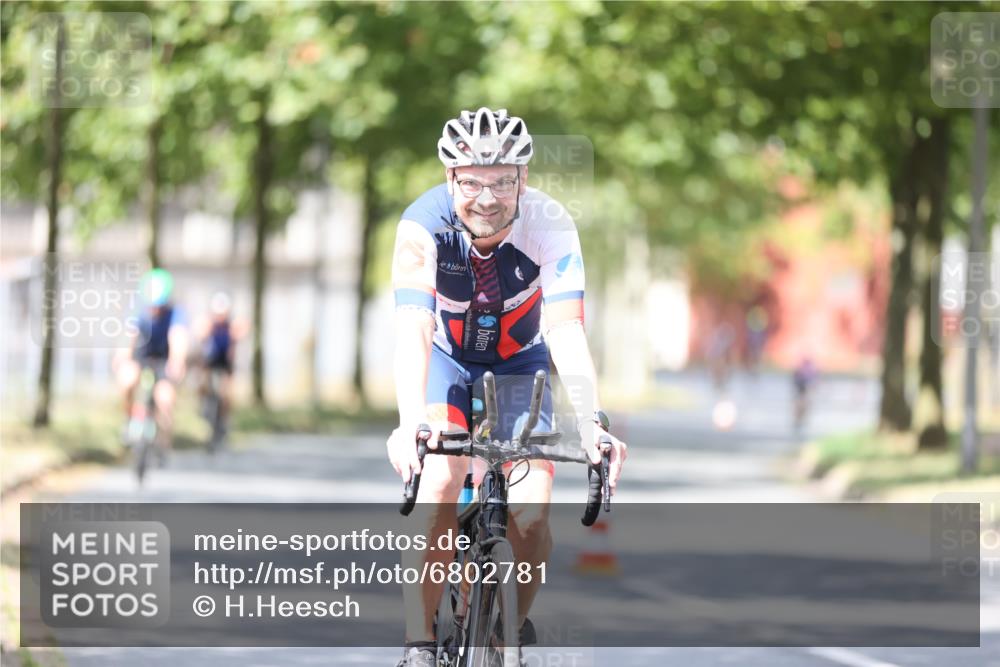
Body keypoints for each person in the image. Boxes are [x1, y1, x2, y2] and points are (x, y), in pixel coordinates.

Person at [386, 107, 628, 667]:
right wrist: (408, 423)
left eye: (502, 182)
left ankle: (505, 633)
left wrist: (590, 421)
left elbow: (566, 329)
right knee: (442, 480)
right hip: (447, 362)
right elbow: (414, 329)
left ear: (524, 177)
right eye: (471, 182)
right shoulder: (421, 226)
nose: (487, 198)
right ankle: (419, 643)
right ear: (450, 179)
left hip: (521, 366)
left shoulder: (551, 222)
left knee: (533, 515)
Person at [113, 268, 189, 459]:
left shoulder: (176, 314)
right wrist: (122, 357)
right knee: (127, 380)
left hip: (163, 360)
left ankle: (163, 443)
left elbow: (177, 338)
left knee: (165, 400)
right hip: (142, 357)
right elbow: (129, 336)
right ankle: (129, 418)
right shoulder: (138, 311)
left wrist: (177, 362)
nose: (154, 309)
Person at [195, 292, 243, 438]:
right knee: (202, 382)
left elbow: (241, 333)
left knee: (225, 393)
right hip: (210, 361)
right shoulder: (209, 323)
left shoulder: (231, 326)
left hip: (225, 362)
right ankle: (203, 406)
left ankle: (224, 419)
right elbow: (199, 334)